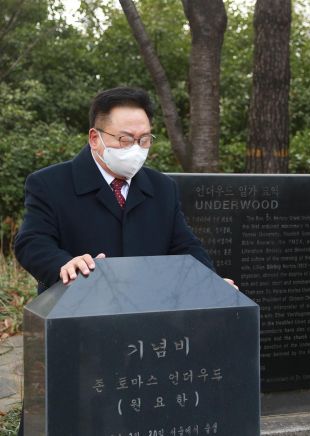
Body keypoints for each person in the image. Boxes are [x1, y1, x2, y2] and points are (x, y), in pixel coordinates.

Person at [13, 87, 219, 435]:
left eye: (145, 139)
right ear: (96, 138)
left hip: (146, 337)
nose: (135, 150)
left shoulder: (161, 188)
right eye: (124, 139)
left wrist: (208, 284)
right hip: (78, 331)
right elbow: (31, 241)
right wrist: (63, 263)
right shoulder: (50, 183)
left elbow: (185, 246)